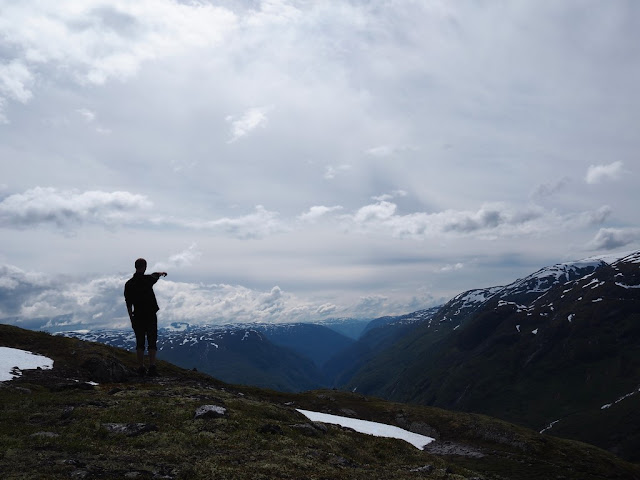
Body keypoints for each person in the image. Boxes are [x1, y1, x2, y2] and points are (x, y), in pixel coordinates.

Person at [124, 258, 167, 376]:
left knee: (140, 342)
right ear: (145, 267)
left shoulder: (129, 284)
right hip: (150, 315)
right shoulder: (148, 280)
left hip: (137, 316)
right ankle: (152, 367)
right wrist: (162, 273)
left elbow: (128, 303)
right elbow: (155, 276)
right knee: (152, 341)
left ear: (135, 266)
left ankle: (141, 367)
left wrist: (131, 318)